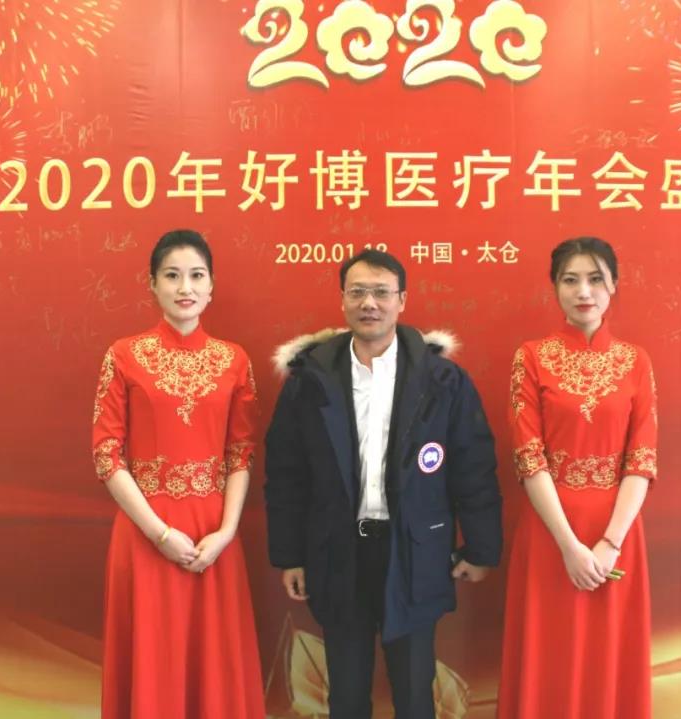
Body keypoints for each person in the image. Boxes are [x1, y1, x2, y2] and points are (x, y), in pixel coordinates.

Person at [264, 249, 502, 719]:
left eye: (380, 292)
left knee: (415, 691)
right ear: (343, 300)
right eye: (357, 292)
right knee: (346, 693)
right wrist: (290, 555)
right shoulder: (311, 380)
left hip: (413, 551)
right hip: (339, 552)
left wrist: (480, 549)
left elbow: (472, 466)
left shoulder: (442, 380)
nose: (369, 303)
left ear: (402, 300)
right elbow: (288, 473)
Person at [91, 229, 265, 718]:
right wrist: (160, 534)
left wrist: (226, 533)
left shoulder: (234, 360)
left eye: (196, 275)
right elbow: (106, 455)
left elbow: (240, 453)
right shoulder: (124, 355)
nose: (185, 287)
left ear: (211, 286)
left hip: (214, 534)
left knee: (214, 663)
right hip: (145, 531)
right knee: (153, 659)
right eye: (172, 276)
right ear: (153, 284)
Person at [497, 237, 658, 718]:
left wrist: (610, 543)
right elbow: (529, 458)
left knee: (609, 657)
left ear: (614, 286)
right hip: (551, 533)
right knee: (550, 654)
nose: (583, 291)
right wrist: (569, 546)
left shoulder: (636, 361)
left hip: (617, 534)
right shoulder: (531, 356)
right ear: (555, 287)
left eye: (595, 279)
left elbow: (642, 460)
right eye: (570, 280)